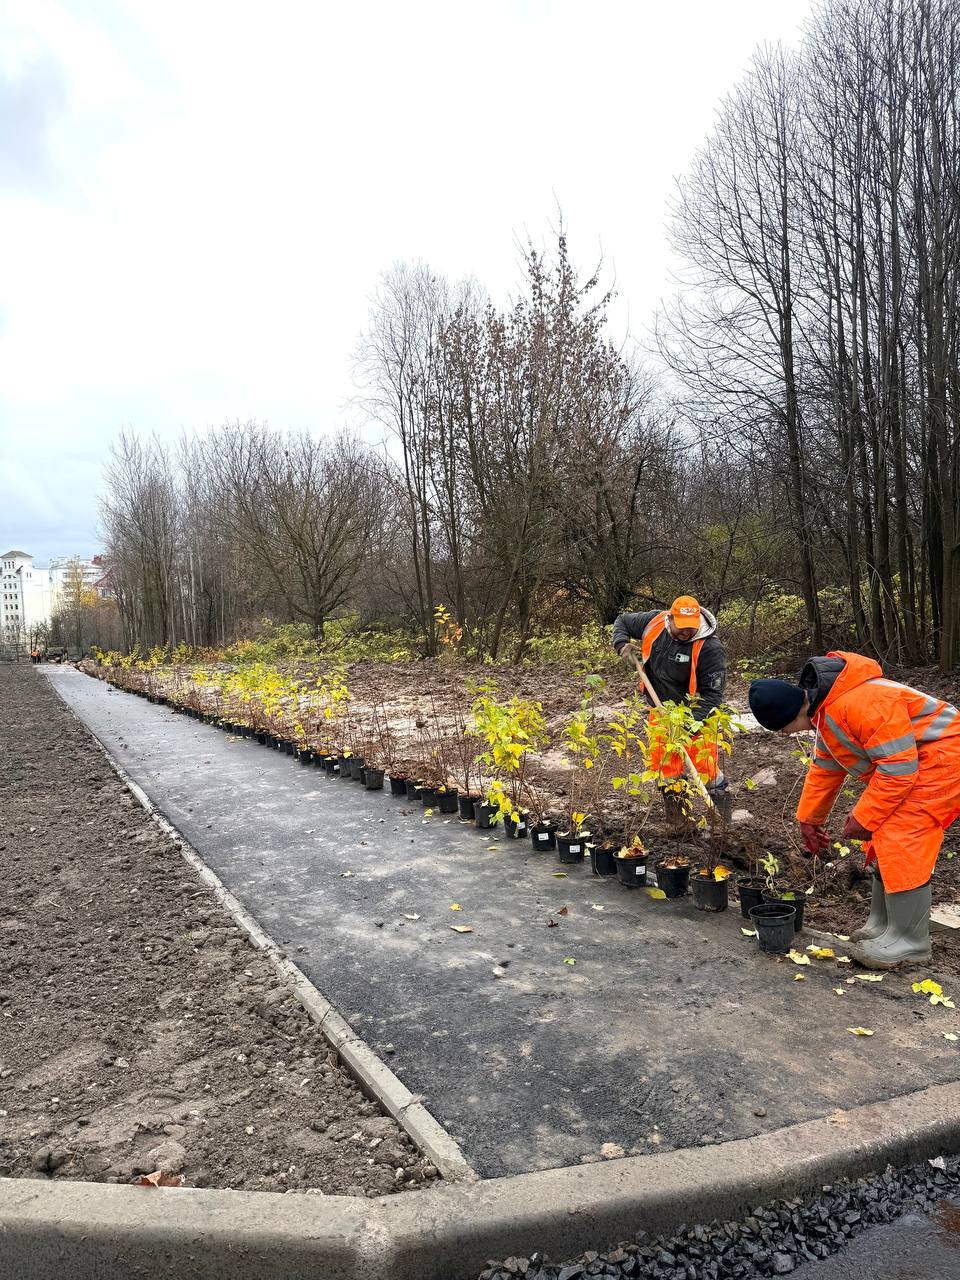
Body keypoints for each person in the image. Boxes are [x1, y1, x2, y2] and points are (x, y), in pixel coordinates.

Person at [748, 651, 960, 969]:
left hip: (946, 756)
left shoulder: (859, 703)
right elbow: (824, 769)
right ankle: (884, 925)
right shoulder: (828, 712)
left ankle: (910, 939)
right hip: (923, 761)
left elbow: (900, 770)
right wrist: (809, 821)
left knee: (901, 832)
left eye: (783, 729)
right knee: (883, 830)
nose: (787, 736)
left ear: (792, 715)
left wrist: (863, 818)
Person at [612, 595, 729, 816]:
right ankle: (678, 823)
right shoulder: (654, 622)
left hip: (697, 714)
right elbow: (622, 621)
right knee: (666, 768)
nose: (686, 632)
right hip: (659, 711)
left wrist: (684, 728)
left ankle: (722, 823)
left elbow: (713, 697)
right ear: (670, 618)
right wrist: (621, 644)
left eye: (690, 628)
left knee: (706, 770)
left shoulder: (710, 648)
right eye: (681, 628)